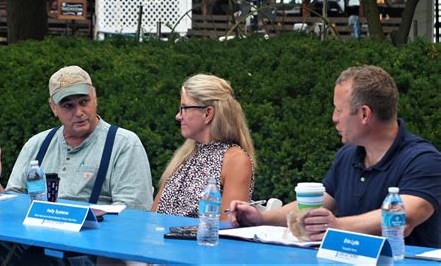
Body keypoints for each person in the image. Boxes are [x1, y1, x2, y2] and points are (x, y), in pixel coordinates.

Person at [228, 65, 441, 248]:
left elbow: (403, 217)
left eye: (339, 110)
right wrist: (261, 217)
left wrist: (338, 227)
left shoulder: (423, 160)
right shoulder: (348, 155)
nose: (334, 118)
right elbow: (315, 206)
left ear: (364, 114)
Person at [0, 65, 154, 264]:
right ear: (53, 108)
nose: (79, 112)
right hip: (33, 240)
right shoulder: (37, 143)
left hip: (91, 249)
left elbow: (135, 216)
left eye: (84, 102)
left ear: (95, 98)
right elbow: (13, 205)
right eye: (68, 106)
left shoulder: (124, 144)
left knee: (36, 260)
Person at [151, 74, 256, 219]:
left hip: (200, 241)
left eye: (184, 108)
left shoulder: (236, 161)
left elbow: (227, 228)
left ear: (208, 113)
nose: (178, 116)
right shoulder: (186, 154)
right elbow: (153, 216)